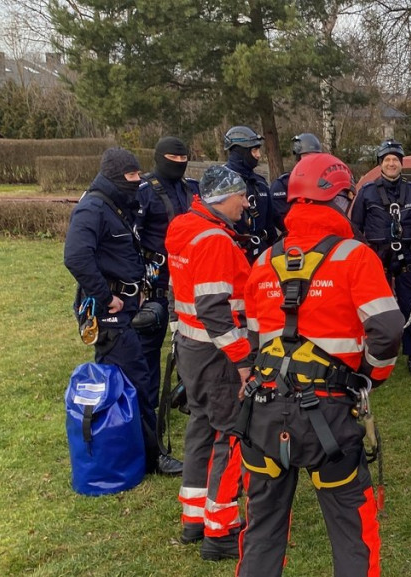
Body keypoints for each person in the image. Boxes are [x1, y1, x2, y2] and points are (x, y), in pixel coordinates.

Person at [239, 153, 403, 577]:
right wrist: (369, 378)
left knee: (263, 527)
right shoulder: (355, 256)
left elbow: (256, 338)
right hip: (327, 416)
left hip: (264, 413)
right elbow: (386, 330)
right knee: (352, 529)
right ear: (342, 198)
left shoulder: (265, 260)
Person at [165, 165, 253, 559]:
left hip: (190, 348)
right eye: (241, 196)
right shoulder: (215, 240)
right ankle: (221, 530)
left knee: (201, 429)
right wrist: (244, 359)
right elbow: (215, 309)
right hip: (218, 355)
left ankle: (194, 518)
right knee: (230, 435)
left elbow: (176, 293)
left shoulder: (184, 229)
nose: (246, 203)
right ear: (222, 198)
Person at [65, 148, 169, 474]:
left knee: (124, 380)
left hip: (126, 306)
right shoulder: (92, 209)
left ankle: (125, 448)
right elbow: (76, 257)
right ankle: (152, 457)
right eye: (131, 176)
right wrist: (106, 297)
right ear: (114, 176)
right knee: (135, 380)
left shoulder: (117, 206)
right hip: (110, 311)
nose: (138, 181)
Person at [134, 137, 199, 475]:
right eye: (173, 157)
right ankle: (151, 438)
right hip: (157, 283)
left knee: (191, 343)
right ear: (159, 157)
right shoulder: (145, 190)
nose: (179, 161)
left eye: (184, 156)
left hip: (191, 277)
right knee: (151, 359)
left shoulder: (192, 188)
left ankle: (187, 395)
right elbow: (133, 236)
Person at [351, 139, 411, 378]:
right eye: (387, 160)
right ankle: (374, 355)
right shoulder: (367, 193)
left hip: (408, 258)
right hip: (377, 259)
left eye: (395, 160)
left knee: (410, 308)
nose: (391, 164)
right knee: (373, 309)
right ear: (380, 164)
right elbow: (355, 228)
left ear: (401, 164)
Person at [223, 125, 277, 261]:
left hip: (261, 254)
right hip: (232, 256)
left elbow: (271, 224)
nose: (258, 155)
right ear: (240, 152)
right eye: (254, 150)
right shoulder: (220, 184)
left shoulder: (260, 184)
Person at [269, 132, 322, 224]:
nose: (312, 161)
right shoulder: (283, 184)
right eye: (307, 156)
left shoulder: (325, 182)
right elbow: (282, 220)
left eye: (315, 157)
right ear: (298, 158)